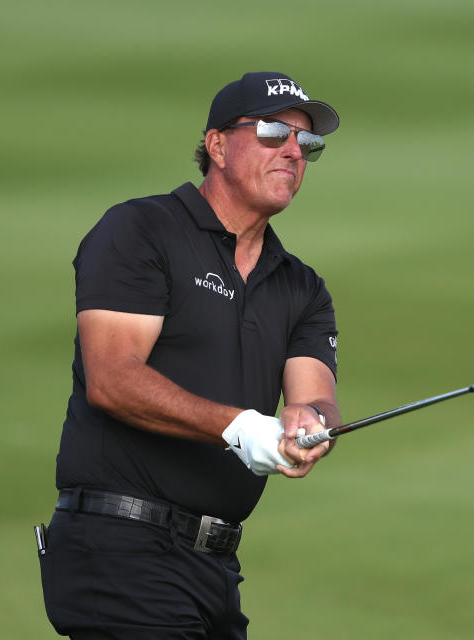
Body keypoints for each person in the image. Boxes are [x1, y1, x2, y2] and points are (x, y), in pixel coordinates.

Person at [38, 71, 342, 639]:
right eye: (275, 132)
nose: (294, 152)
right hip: (118, 548)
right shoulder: (142, 230)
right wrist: (240, 427)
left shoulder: (302, 288)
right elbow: (112, 378)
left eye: (309, 143)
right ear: (217, 145)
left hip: (214, 567)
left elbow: (316, 394)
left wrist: (310, 423)